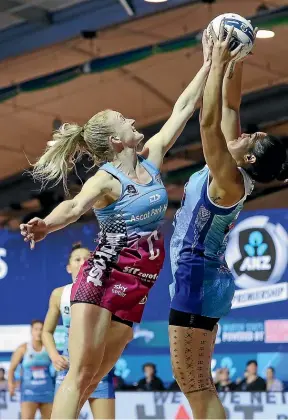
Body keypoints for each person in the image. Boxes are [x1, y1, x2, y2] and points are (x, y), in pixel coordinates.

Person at [20, 38, 212, 418]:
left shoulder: (152, 160)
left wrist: (208, 64)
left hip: (139, 283)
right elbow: (74, 207)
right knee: (80, 374)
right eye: (125, 120)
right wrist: (47, 225)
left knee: (96, 379)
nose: (134, 121)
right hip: (102, 277)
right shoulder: (107, 181)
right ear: (115, 140)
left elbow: (185, 108)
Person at [169, 20, 287, 419]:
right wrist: (238, 60)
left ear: (249, 158)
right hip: (206, 278)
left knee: (197, 387)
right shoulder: (234, 171)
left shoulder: (229, 178)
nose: (245, 133)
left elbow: (207, 123)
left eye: (250, 138)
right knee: (199, 386)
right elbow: (231, 106)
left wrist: (216, 62)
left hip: (196, 278)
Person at [42, 242, 116, 419]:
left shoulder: (108, 292)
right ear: (69, 267)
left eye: (87, 258)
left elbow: (121, 331)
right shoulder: (59, 294)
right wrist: (54, 356)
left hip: (99, 371)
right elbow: (46, 332)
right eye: (77, 259)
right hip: (68, 371)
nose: (83, 262)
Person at [8, 320, 54, 419]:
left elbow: (57, 366)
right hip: (28, 393)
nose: (39, 332)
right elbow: (11, 369)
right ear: (31, 331)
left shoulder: (49, 348)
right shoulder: (23, 348)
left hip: (48, 391)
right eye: (36, 329)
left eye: (41, 329)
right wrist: (11, 384)